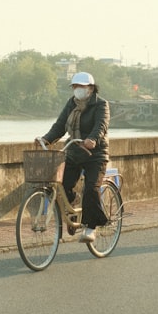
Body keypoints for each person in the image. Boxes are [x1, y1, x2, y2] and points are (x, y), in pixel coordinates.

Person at [36, 71, 111, 243]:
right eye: (75, 86)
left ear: (90, 88)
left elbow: (101, 125)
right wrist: (46, 139)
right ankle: (73, 210)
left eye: (81, 86)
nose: (78, 89)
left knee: (91, 189)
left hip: (95, 154)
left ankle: (91, 227)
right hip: (74, 152)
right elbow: (60, 125)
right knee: (62, 184)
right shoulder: (71, 104)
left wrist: (92, 139)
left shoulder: (101, 104)